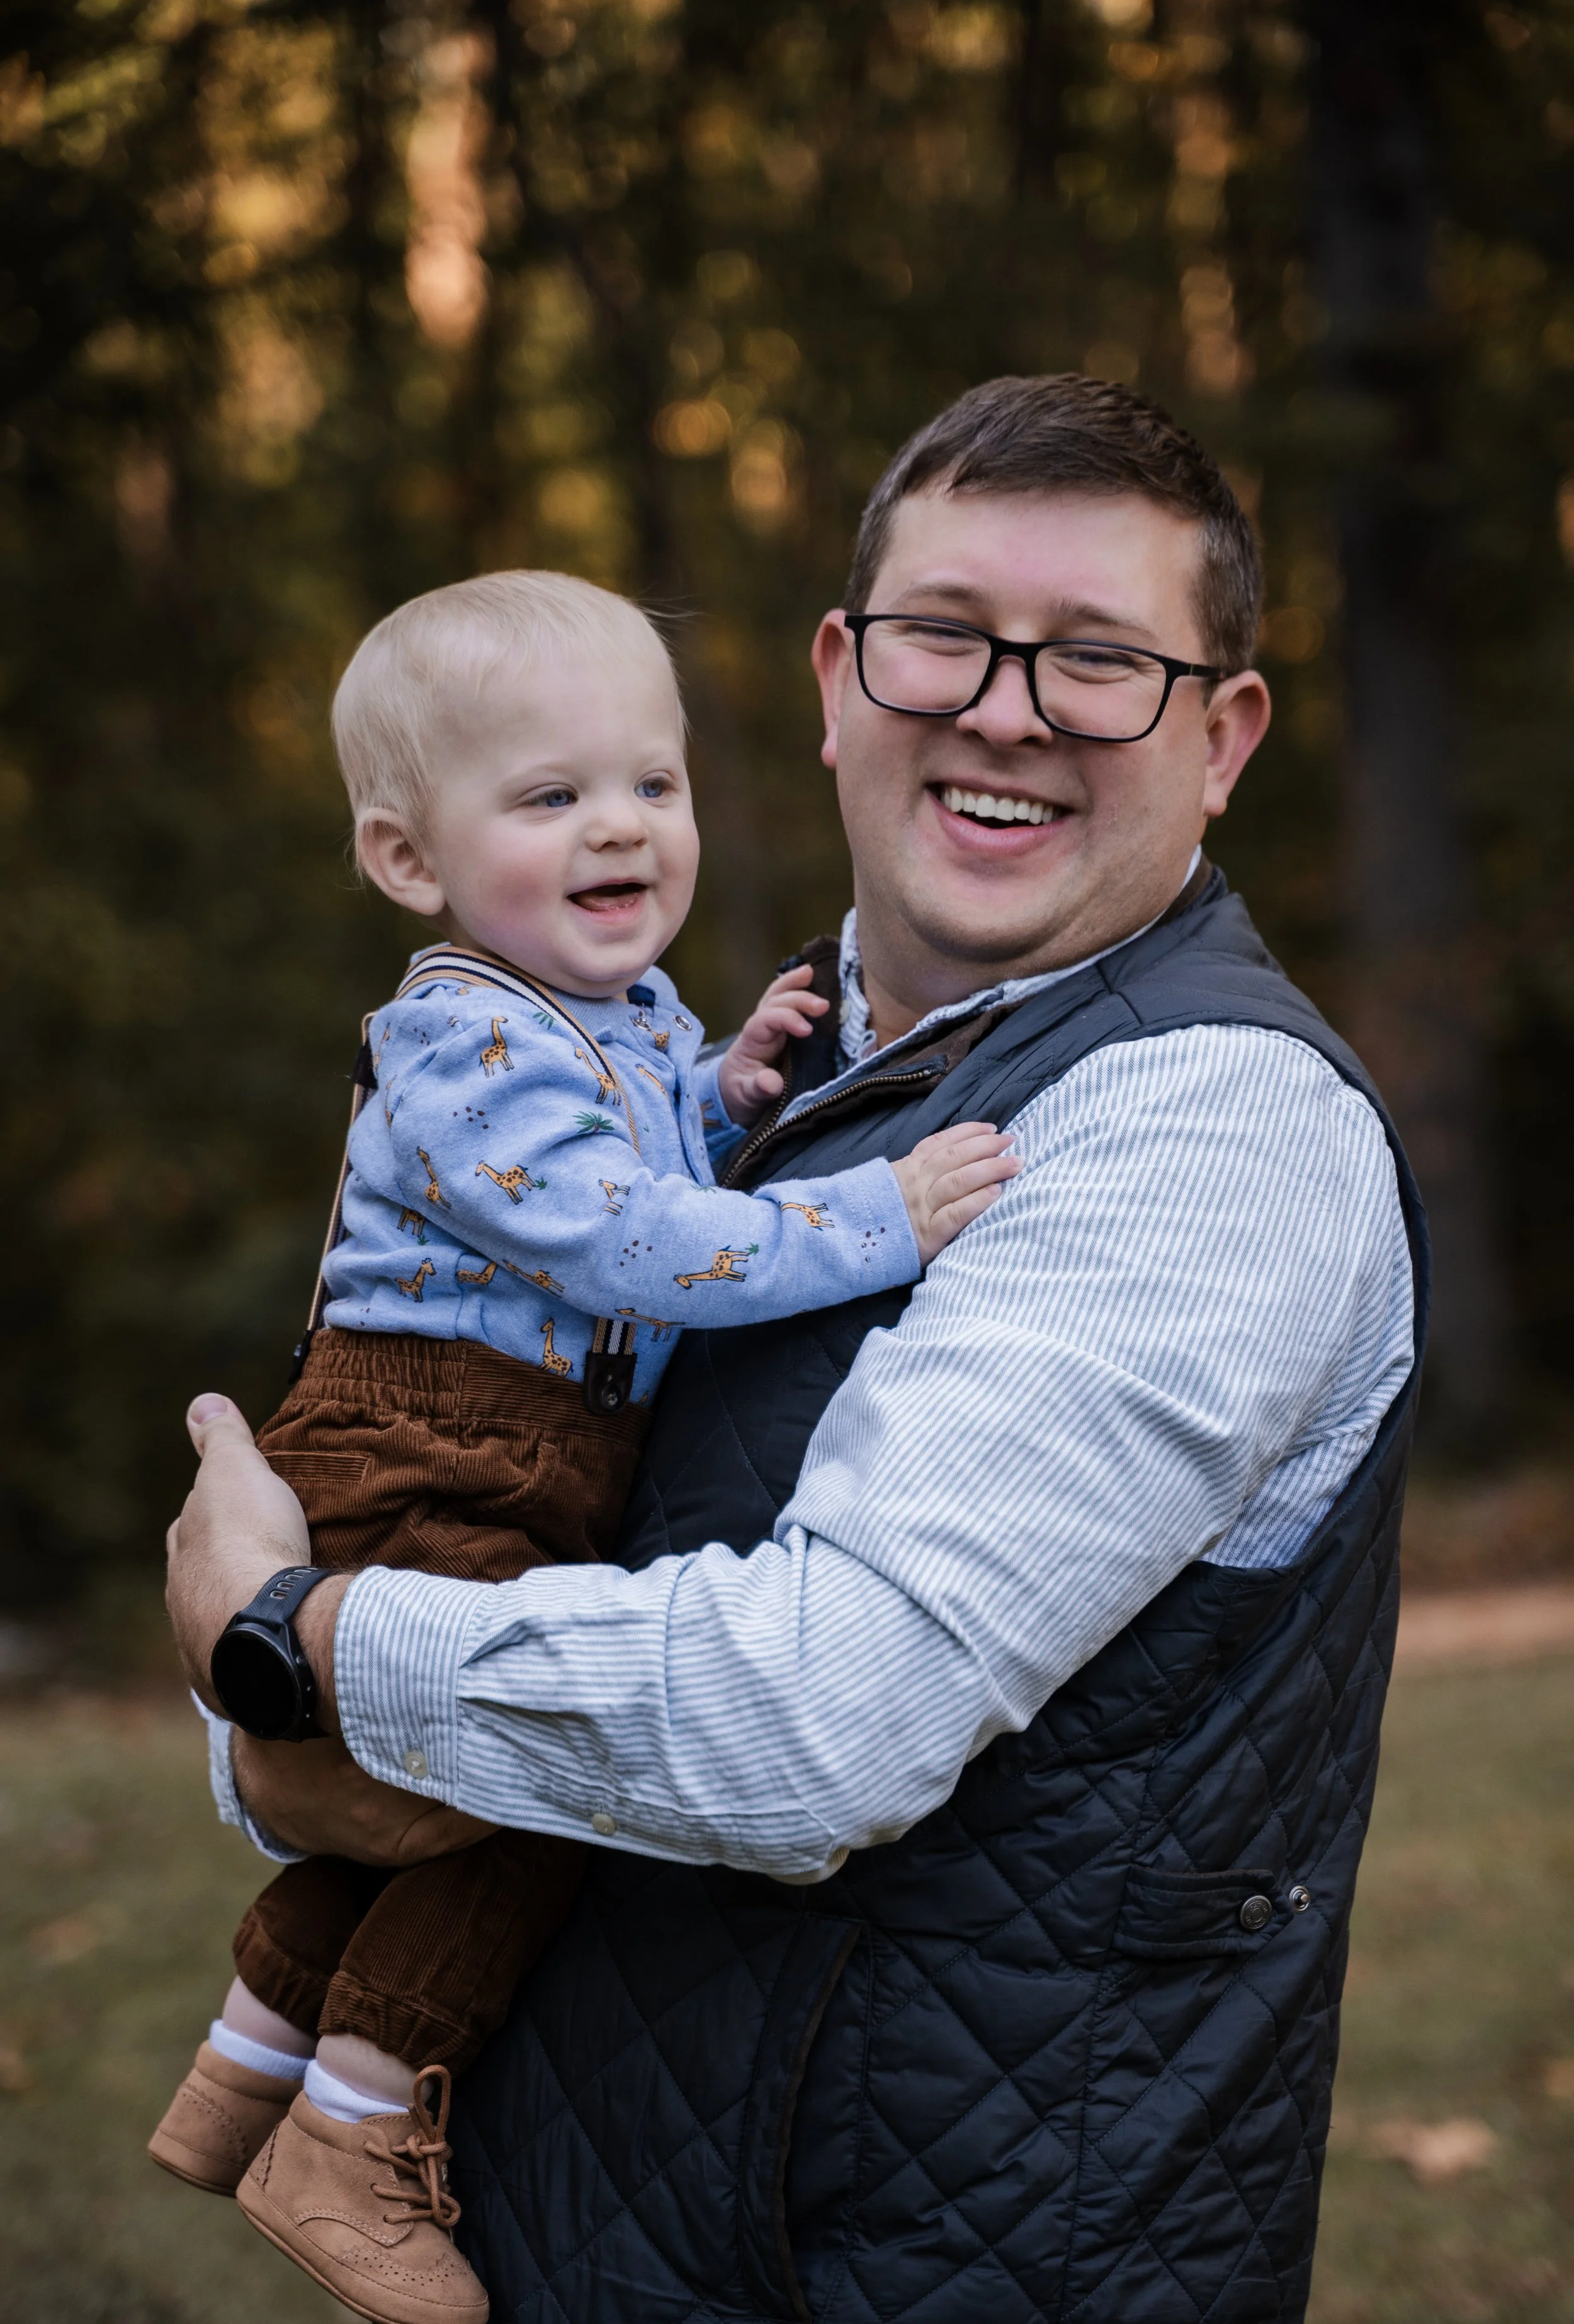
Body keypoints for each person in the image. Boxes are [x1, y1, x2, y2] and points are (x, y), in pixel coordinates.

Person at [166, 374, 1427, 2324]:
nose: (1003, 709)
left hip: (924, 2266)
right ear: (839, 676)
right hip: (585, 2219)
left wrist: (290, 1644)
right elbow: (475, 1562)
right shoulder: (706, 1065)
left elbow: (812, 1723)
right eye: (945, 636)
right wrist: (292, 1745)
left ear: (1224, 733)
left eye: (1099, 661)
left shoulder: (1207, 1130)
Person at [146, 570, 1018, 2324]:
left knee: (423, 1801)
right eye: (550, 799)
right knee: (542, 1781)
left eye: (653, 782)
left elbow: (632, 1146)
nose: (621, 827)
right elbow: (621, 1243)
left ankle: (246, 2063)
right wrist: (877, 1218)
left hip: (505, 1448)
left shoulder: (602, 1018)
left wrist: (725, 1088)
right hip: (424, 1446)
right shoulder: (460, 1029)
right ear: (412, 861)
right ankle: (354, 2125)